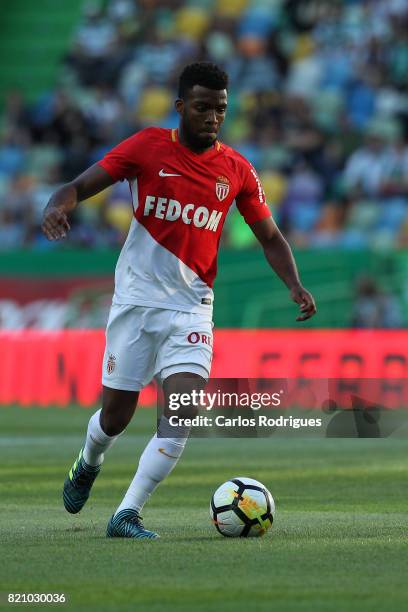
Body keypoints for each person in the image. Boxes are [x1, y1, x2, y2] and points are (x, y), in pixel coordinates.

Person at [41, 62, 317, 540]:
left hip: (192, 309)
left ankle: (128, 512)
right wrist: (55, 207)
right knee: (115, 417)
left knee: (182, 410)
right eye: (203, 107)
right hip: (136, 303)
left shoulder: (236, 169)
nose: (213, 117)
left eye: (221, 109)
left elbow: (269, 236)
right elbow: (79, 187)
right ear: (181, 107)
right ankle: (89, 461)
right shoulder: (147, 146)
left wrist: (293, 284)